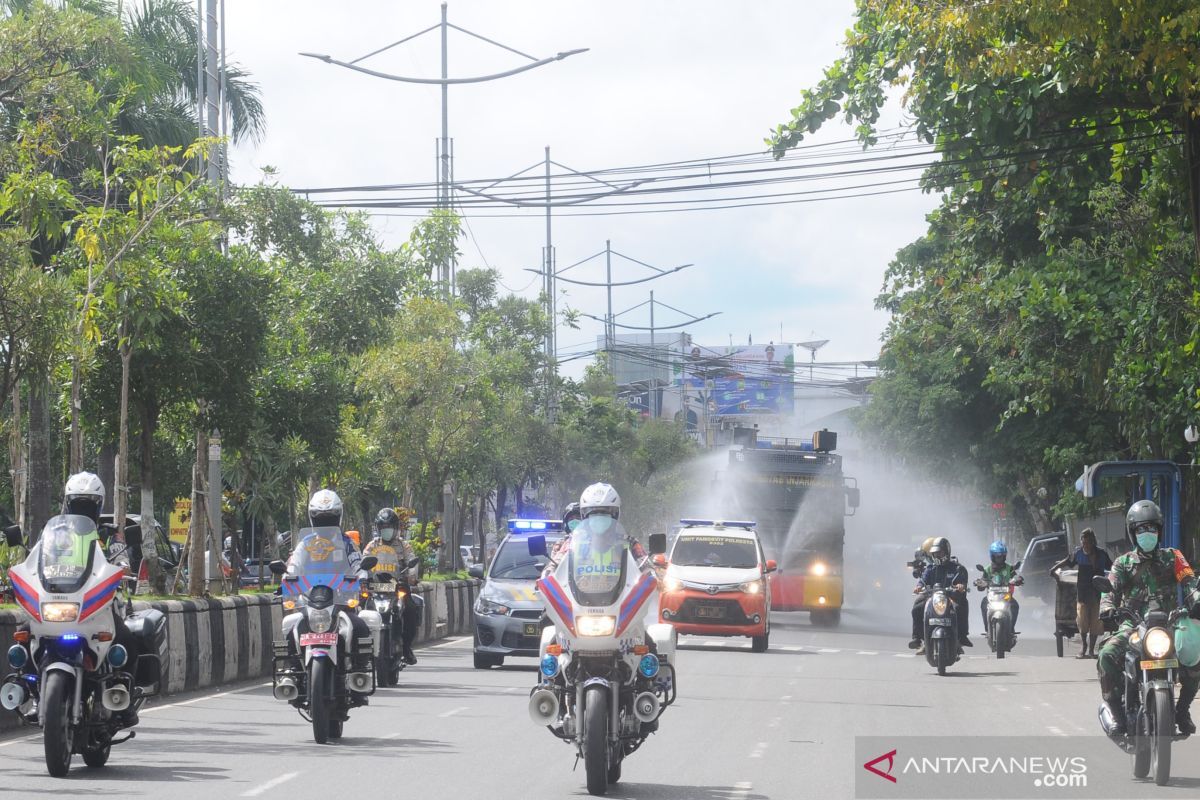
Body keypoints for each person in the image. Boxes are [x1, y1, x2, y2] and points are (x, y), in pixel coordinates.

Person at [1097, 500, 1200, 735]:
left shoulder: (1173, 557)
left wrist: (1196, 599)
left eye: (1152, 528)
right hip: (1132, 625)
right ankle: (1115, 710)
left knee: (1195, 657)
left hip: (1170, 624)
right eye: (1141, 529)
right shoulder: (1123, 563)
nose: (1147, 534)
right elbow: (1109, 589)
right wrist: (1107, 607)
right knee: (1107, 654)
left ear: (1159, 531)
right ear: (1133, 533)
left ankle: (1183, 709)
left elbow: (1190, 580)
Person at [298, 489, 374, 679]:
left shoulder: (347, 543)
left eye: (329, 519)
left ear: (338, 517)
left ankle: (358, 670)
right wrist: (286, 578)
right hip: (311, 599)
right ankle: (292, 671)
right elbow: (294, 564)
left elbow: (357, 563)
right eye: (321, 519)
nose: (325, 524)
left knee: (359, 626)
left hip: (341, 599)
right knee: (292, 625)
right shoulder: (305, 544)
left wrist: (362, 576)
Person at [364, 507, 422, 665]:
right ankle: (361, 649)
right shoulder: (372, 545)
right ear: (378, 528)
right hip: (376, 587)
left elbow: (412, 562)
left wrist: (411, 575)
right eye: (383, 528)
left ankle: (406, 648)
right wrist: (362, 576)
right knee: (361, 610)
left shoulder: (404, 546)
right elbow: (363, 562)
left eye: (389, 527)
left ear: (396, 528)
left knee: (410, 609)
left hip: (398, 586)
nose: (386, 531)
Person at [1051, 528, 1113, 658]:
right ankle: (1084, 647)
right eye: (1084, 542)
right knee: (1082, 621)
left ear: (1093, 542)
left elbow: (1112, 568)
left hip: (1098, 594)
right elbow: (1067, 562)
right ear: (1081, 542)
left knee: (1096, 622)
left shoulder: (1101, 555)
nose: (1087, 545)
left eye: (1089, 542)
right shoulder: (1078, 553)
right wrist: (1054, 569)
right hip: (1083, 594)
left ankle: (1091, 650)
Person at [909, 537, 971, 654]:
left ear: (947, 552)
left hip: (950, 597)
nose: (937, 555)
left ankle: (961, 637)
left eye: (940, 552)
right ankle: (919, 639)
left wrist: (960, 586)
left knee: (960, 607)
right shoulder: (931, 568)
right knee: (917, 608)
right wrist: (919, 586)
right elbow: (923, 580)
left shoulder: (957, 568)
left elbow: (962, 581)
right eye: (935, 553)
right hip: (932, 597)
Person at [974, 540, 1022, 636]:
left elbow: (1016, 577)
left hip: (1006, 596)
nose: (999, 558)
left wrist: (1018, 579)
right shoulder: (987, 569)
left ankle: (1011, 628)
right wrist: (980, 583)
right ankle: (988, 629)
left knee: (1015, 606)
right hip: (992, 596)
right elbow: (982, 581)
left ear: (1004, 556)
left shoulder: (1009, 568)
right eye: (997, 556)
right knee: (984, 604)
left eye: (1001, 555)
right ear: (992, 556)